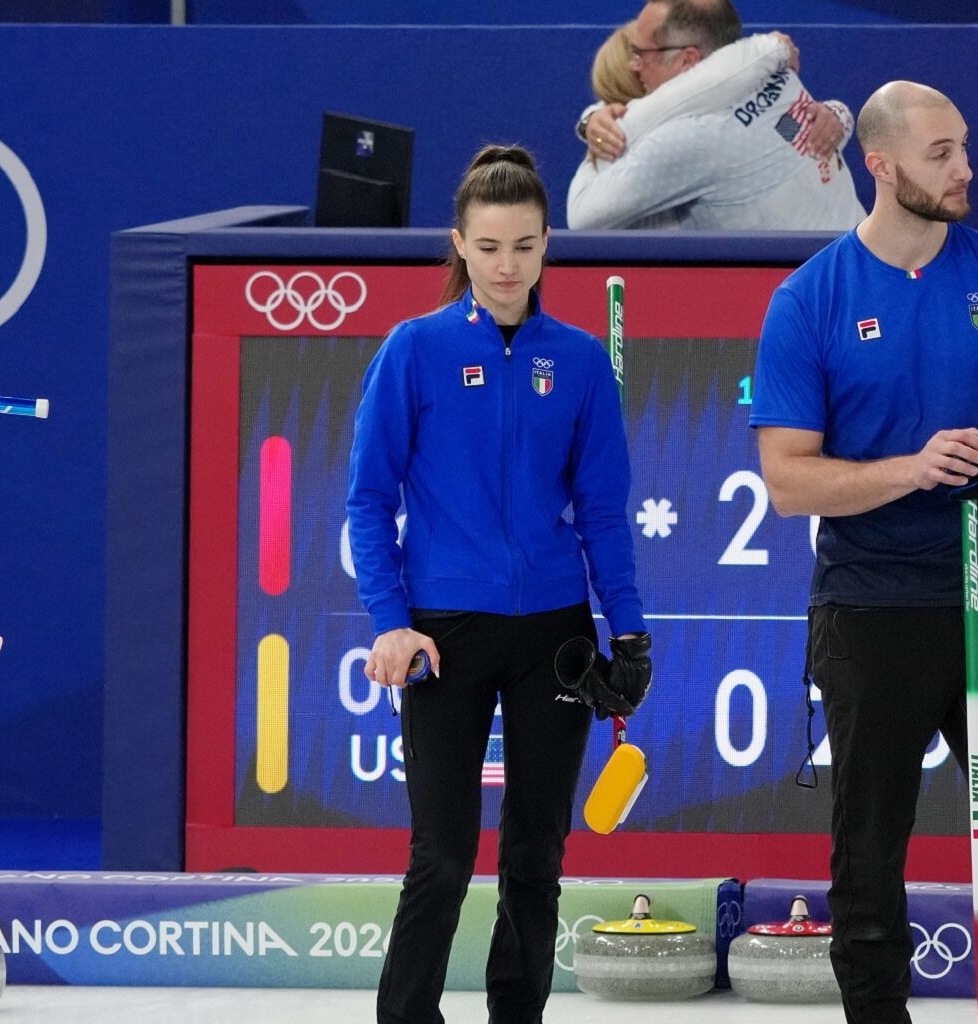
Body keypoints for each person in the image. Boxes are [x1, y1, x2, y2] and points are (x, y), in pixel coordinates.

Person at [751, 81, 978, 1024]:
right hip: (870, 611)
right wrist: (913, 470)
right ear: (880, 166)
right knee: (868, 856)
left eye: (964, 146)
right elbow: (788, 480)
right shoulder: (810, 300)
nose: (965, 168)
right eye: (941, 153)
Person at [347, 144, 653, 1024]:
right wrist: (390, 621)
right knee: (441, 853)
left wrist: (626, 631)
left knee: (535, 853)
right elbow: (369, 501)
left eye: (523, 245)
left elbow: (604, 514)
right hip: (443, 634)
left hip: (552, 637)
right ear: (459, 245)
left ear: (548, 243)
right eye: (488, 247)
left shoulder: (582, 362)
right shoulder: (414, 351)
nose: (507, 265)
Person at [566, 0, 863, 230]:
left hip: (813, 295)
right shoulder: (778, 75)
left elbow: (581, 215)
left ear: (687, 59)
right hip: (861, 264)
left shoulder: (688, 141)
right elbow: (790, 140)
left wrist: (604, 126)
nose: (635, 66)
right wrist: (839, 115)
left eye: (642, 54)